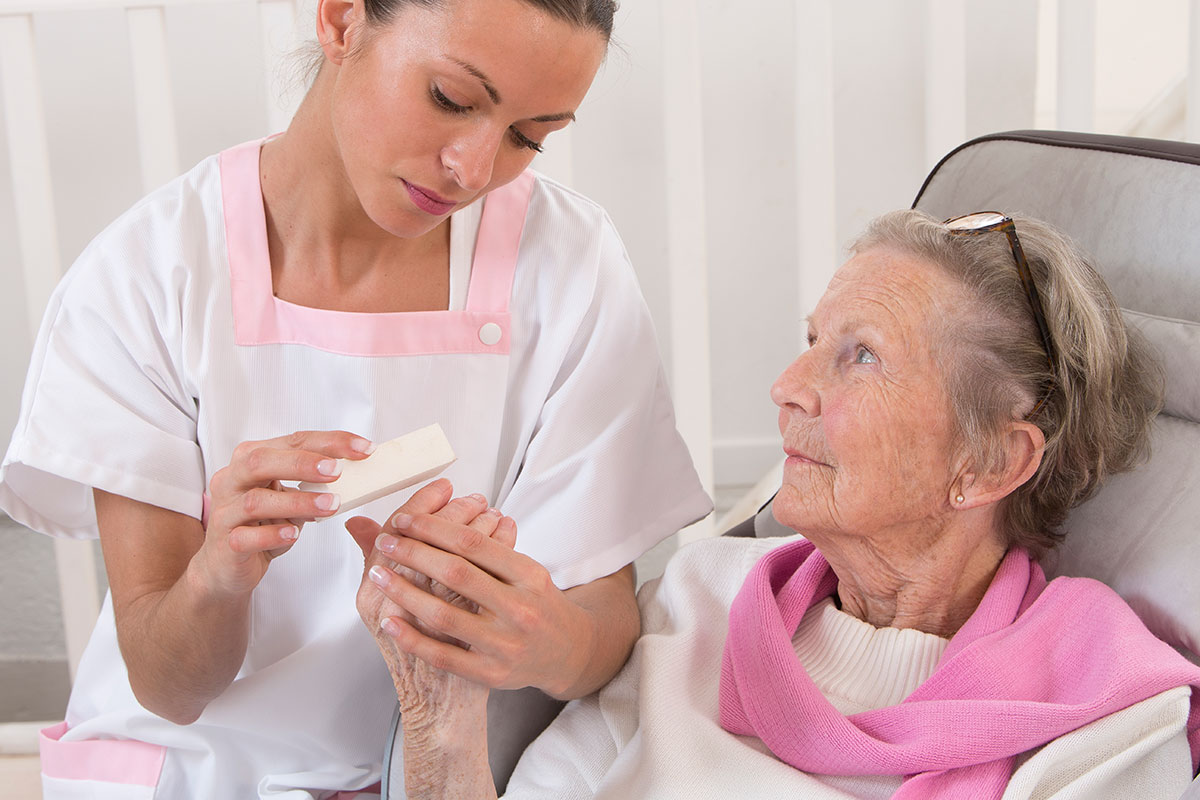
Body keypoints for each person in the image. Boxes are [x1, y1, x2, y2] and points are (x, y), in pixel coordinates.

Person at [0, 0, 712, 797]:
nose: (473, 169)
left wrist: (546, 644)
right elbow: (168, 687)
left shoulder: (572, 265)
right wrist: (216, 576)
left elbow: (602, 626)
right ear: (341, 21)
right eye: (450, 98)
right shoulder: (147, 274)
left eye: (528, 136)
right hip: (194, 767)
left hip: (459, 767)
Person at [361, 209, 1200, 799]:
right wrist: (440, 708)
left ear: (989, 462)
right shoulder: (700, 602)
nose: (788, 389)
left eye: (860, 357)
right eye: (812, 343)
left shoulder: (1103, 721)